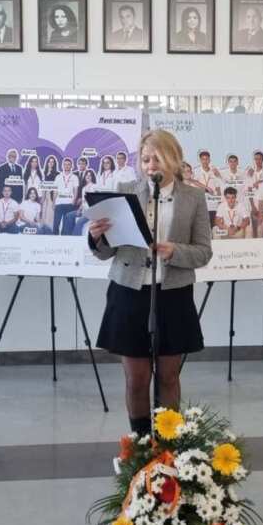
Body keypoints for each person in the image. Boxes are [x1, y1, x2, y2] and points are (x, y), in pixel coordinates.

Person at [88, 129, 212, 437]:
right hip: (129, 294)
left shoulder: (194, 197)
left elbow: (203, 252)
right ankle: (141, 445)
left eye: (157, 158)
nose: (150, 166)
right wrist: (97, 237)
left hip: (173, 295)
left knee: (169, 377)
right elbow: (106, 253)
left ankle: (168, 445)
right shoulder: (125, 191)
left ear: (174, 159)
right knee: (137, 379)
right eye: (145, 160)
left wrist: (174, 251)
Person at [53, 157, 79, 235]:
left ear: (71, 166)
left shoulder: (74, 177)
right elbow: (55, 191)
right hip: (59, 203)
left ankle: (64, 240)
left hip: (69, 203)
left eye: (68, 164)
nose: (67, 166)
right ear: (62, 166)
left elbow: (76, 190)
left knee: (66, 225)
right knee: (56, 223)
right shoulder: (58, 177)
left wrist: (73, 201)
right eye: (65, 164)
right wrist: (53, 202)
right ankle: (54, 239)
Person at [195, 150, 222, 227]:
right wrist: (205, 188)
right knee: (202, 226)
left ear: (209, 160)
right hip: (201, 203)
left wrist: (219, 202)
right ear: (200, 160)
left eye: (206, 159)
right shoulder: (196, 171)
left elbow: (218, 188)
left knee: (213, 225)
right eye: (203, 159)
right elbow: (194, 183)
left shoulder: (214, 172)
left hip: (213, 204)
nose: (205, 161)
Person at [245, 150, 263, 236]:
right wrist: (252, 206)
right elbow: (249, 190)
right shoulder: (250, 173)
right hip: (254, 204)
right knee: (254, 229)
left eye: (259, 159)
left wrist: (260, 182)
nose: (257, 161)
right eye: (256, 159)